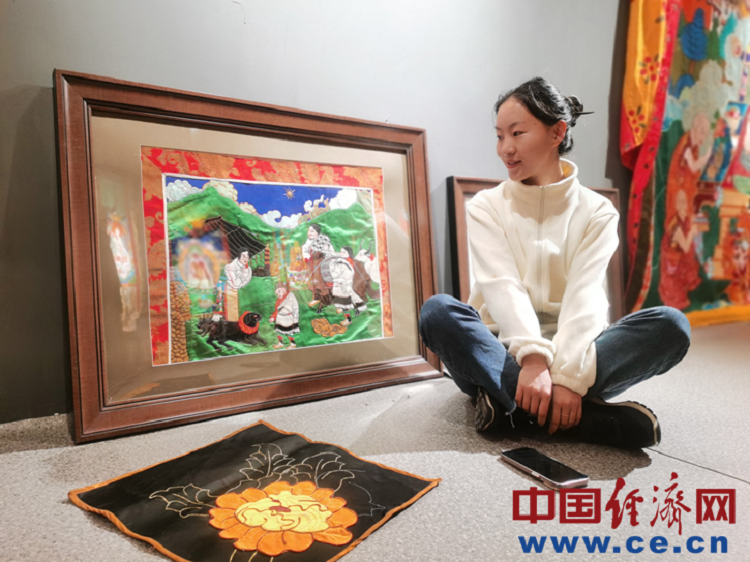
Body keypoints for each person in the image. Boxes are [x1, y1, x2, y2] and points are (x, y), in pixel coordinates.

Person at [419, 77, 691, 449]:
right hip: (501, 353)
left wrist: (566, 378)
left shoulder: (598, 212)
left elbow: (585, 296)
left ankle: (510, 407)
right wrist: (532, 360)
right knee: (438, 313)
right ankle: (584, 421)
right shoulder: (486, 206)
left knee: (671, 326)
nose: (506, 148)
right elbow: (502, 286)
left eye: (517, 133)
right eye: (499, 136)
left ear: (557, 133)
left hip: (576, 356)